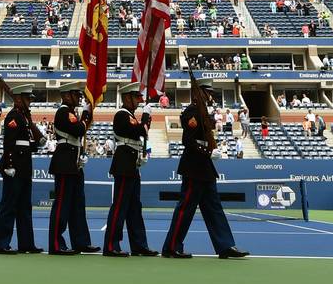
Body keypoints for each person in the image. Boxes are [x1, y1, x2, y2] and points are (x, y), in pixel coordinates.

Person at [161, 79, 249, 259]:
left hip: (204, 168)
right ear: (199, 92)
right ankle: (171, 247)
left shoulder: (203, 112)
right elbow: (188, 140)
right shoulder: (191, 111)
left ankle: (225, 245)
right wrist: (207, 151)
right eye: (207, 93)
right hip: (194, 167)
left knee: (214, 208)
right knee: (185, 209)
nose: (210, 96)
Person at [103, 83, 157, 257]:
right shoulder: (122, 115)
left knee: (134, 208)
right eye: (136, 98)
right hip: (124, 164)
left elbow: (139, 133)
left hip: (131, 164)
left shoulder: (130, 115)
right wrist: (146, 116)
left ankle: (139, 244)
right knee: (120, 206)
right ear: (127, 98)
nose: (139, 102)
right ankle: (111, 245)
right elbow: (140, 131)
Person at [47, 81, 97, 255]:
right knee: (62, 205)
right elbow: (78, 130)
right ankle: (56, 244)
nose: (79, 97)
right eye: (76, 94)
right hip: (65, 163)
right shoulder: (63, 112)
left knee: (77, 205)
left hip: (73, 163)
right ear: (66, 96)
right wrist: (86, 115)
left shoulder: (71, 112)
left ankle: (81, 242)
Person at [0, 84, 43, 255]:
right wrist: (9, 164)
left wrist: (37, 142)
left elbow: (27, 141)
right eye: (27, 98)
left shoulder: (24, 117)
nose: (30, 101)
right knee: (9, 206)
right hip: (14, 166)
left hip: (24, 166)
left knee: (24, 207)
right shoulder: (14, 116)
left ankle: (26, 243)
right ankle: (1, 244)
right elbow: (9, 143)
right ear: (18, 99)